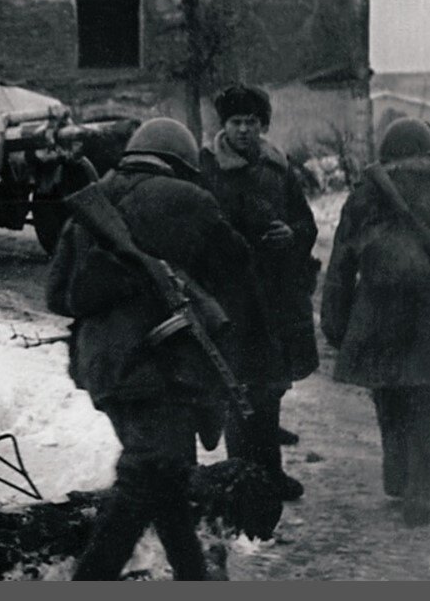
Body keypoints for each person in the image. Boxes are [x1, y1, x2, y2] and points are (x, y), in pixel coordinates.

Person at [47, 118, 260, 580]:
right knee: (145, 478)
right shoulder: (190, 199)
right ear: (180, 162)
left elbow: (57, 293)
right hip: (160, 367)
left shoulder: (95, 198)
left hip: (102, 367)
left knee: (167, 479)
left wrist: (119, 283)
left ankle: (194, 578)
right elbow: (237, 264)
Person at [200, 84, 319, 501]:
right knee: (238, 388)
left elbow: (306, 223)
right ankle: (242, 478)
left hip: (274, 297)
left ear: (263, 125)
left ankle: (270, 472)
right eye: (236, 122)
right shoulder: (208, 170)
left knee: (270, 386)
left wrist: (293, 233)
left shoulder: (278, 168)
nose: (245, 130)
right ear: (223, 125)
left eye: (253, 122)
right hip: (231, 297)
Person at [322, 118, 430, 528]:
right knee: (424, 398)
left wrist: (336, 321)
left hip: (378, 312)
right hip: (426, 311)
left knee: (389, 394)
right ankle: (422, 489)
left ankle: (399, 477)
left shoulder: (365, 193)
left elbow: (342, 264)